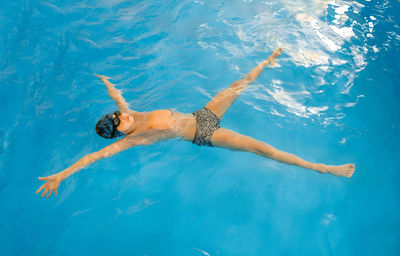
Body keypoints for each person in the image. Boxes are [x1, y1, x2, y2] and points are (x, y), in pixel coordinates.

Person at [36, 48, 355, 198]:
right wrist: (62, 175)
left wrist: (105, 81)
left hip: (202, 114)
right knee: (262, 148)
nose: (121, 116)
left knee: (238, 85)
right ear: (117, 133)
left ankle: (269, 60)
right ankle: (324, 168)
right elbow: (93, 157)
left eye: (117, 115)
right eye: (117, 121)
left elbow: (118, 97)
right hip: (204, 132)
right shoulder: (132, 139)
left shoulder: (133, 113)